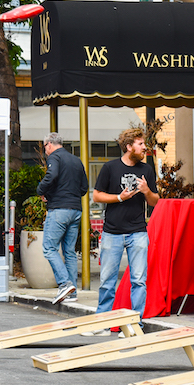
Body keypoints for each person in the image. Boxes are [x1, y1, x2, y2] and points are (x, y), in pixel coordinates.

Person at [87, 128, 158, 331]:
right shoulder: (110, 168)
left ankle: (137, 324)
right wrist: (119, 197)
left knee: (139, 281)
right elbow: (97, 196)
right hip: (112, 232)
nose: (144, 147)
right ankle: (102, 323)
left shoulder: (147, 170)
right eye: (140, 144)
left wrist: (146, 191)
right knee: (107, 281)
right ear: (129, 147)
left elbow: (155, 201)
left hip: (138, 232)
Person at [36, 132, 89, 304]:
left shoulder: (55, 158)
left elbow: (52, 176)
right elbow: (84, 188)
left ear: (49, 144)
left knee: (49, 248)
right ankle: (71, 293)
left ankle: (64, 284)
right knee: (69, 252)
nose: (45, 151)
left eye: (45, 147)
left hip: (59, 210)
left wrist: (41, 190)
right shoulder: (76, 160)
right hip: (75, 209)